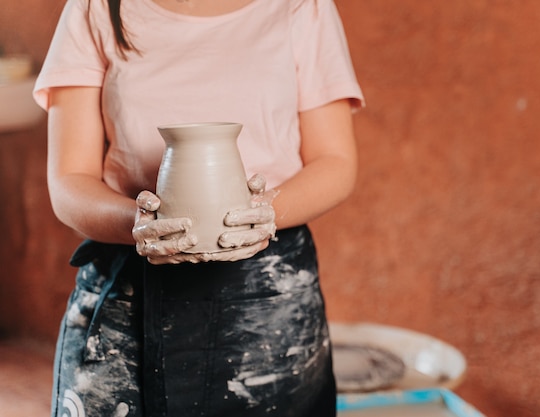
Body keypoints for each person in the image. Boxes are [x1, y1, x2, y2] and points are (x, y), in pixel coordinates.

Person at [34, 0, 364, 416]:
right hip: (132, 286)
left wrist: (266, 214)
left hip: (266, 292)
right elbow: (69, 181)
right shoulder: (96, 6)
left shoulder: (302, 7)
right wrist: (136, 224)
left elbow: (335, 162)